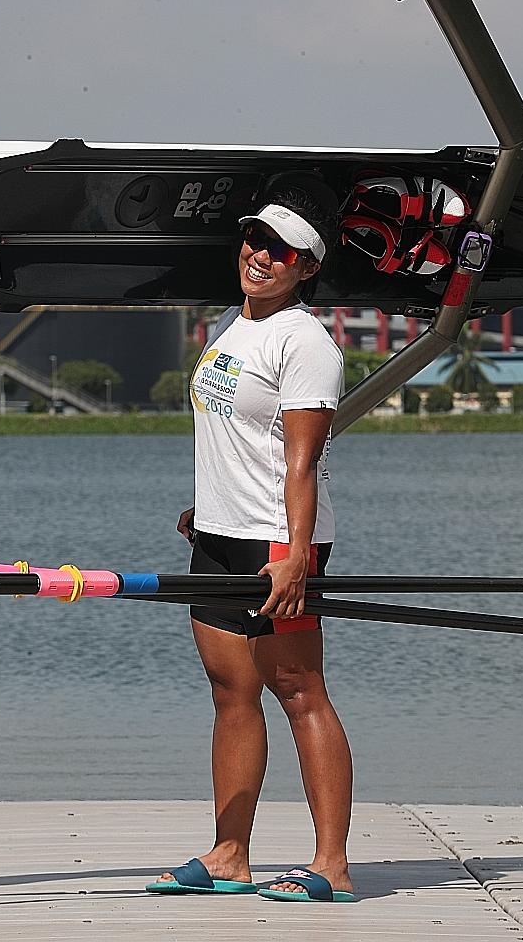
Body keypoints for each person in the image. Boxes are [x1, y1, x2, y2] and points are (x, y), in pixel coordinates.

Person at [146, 185, 355, 904]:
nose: (260, 256)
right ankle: (230, 854)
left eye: (280, 251)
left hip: (275, 542)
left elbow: (302, 461)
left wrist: (296, 553)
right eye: (255, 241)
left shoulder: (305, 342)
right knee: (230, 691)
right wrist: (204, 507)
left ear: (305, 269)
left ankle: (332, 865)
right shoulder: (230, 329)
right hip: (219, 535)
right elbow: (234, 436)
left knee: (299, 690)